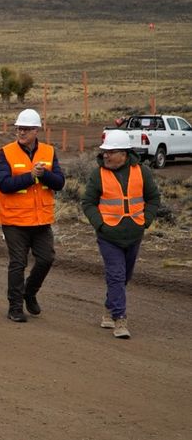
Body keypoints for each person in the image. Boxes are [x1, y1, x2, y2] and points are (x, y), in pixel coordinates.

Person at [81, 130, 161, 339]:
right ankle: (120, 319)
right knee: (116, 275)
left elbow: (153, 198)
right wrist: (100, 225)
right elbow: (88, 203)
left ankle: (110, 308)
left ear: (124, 154)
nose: (106, 155)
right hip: (109, 236)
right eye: (105, 152)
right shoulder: (98, 174)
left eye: (111, 152)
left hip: (134, 234)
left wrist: (146, 221)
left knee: (124, 277)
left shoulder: (142, 172)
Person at [0, 108, 65, 322]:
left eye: (26, 129)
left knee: (46, 259)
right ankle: (15, 307)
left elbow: (60, 183)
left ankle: (29, 292)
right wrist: (30, 176)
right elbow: (4, 184)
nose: (21, 132)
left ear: (36, 130)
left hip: (40, 219)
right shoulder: (5, 153)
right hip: (14, 220)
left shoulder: (49, 152)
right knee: (18, 263)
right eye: (19, 128)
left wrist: (44, 175)